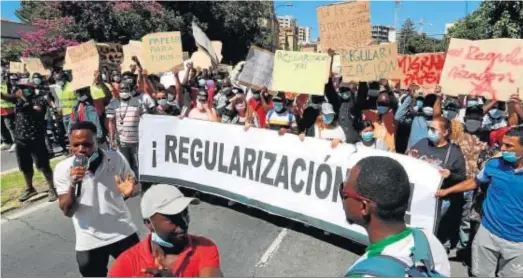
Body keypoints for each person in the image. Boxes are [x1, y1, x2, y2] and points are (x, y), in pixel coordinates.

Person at [54, 121, 140, 277]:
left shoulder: (115, 158)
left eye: (86, 144)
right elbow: (67, 211)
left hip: (122, 231)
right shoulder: (63, 169)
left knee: (139, 273)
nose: (80, 150)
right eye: (75, 145)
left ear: (97, 141)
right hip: (89, 240)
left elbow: (134, 186)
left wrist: (131, 191)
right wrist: (73, 184)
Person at [436, 125, 523, 277]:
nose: (503, 148)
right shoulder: (494, 164)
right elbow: (475, 181)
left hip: (518, 244)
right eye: (503, 143)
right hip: (487, 234)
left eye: (509, 146)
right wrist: (446, 191)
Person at [342, 156, 450, 277]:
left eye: (344, 192)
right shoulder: (428, 240)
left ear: (364, 207)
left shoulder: (362, 274)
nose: (342, 197)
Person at [108, 184, 224, 277]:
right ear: (149, 223)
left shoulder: (204, 247)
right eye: (172, 218)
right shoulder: (126, 264)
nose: (184, 224)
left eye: (185, 213)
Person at [407, 117, 466, 252]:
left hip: (439, 198)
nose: (430, 131)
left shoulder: (454, 152)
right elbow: (410, 159)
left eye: (434, 129)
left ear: (445, 133)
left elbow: (462, 177)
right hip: (418, 194)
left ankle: (431, 251)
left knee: (432, 227)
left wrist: (450, 175)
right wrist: (411, 156)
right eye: (429, 128)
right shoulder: (422, 143)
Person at [1, 79, 57, 202]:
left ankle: (52, 188)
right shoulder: (17, 100)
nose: (20, 90)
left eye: (23, 87)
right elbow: (4, 96)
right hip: (21, 139)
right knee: (25, 165)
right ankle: (30, 188)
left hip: (36, 138)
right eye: (19, 87)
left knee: (43, 165)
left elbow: (36, 113)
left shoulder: (39, 99)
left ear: (30, 88)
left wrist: (24, 99)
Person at [106, 79, 155, 177]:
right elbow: (111, 123)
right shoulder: (113, 104)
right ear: (118, 91)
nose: (124, 92)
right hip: (122, 140)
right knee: (125, 163)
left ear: (130, 90)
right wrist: (112, 138)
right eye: (122, 89)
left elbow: (145, 119)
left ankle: (139, 181)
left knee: (138, 163)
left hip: (137, 140)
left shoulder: (138, 102)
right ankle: (129, 182)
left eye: (126, 89)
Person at [50, 71, 77, 136]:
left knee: (72, 131)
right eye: (56, 80)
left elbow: (77, 98)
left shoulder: (72, 86)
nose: (57, 81)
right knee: (69, 133)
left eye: (59, 79)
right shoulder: (59, 88)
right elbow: (59, 101)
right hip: (64, 114)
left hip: (73, 113)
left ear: (64, 78)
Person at [1, 73, 17, 152]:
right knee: (2, 126)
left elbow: (12, 95)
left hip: (8, 107)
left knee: (10, 126)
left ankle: (16, 142)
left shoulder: (6, 82)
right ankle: (7, 142)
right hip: (1, 108)